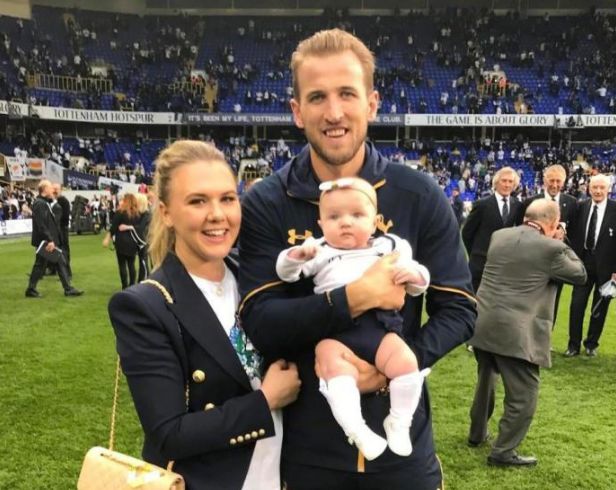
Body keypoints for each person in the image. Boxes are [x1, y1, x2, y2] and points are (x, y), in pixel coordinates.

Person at [239, 29, 475, 490]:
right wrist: (353, 297)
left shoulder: (419, 194)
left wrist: (392, 368)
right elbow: (260, 322)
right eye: (317, 97)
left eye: (347, 93)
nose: (334, 112)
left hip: (404, 457)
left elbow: (460, 308)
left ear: (371, 103)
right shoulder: (267, 201)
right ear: (296, 111)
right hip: (309, 453)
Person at [107, 140, 301, 490]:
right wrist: (265, 401)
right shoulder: (145, 305)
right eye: (198, 201)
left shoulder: (258, 279)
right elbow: (169, 434)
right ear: (166, 212)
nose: (217, 214)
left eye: (227, 198)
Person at [275, 177, 431, 460]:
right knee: (334, 368)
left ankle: (399, 420)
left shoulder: (389, 245)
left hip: (379, 326)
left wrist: (415, 276)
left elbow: (419, 282)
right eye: (334, 217)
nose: (345, 222)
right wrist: (296, 255)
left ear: (375, 221)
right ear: (321, 223)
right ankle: (357, 430)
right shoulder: (320, 250)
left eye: (357, 215)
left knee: (407, 363)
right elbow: (286, 273)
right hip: (335, 328)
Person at [468, 199, 586, 467]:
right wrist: (562, 241)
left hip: (482, 322)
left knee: (486, 378)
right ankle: (503, 452)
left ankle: (476, 434)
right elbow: (579, 274)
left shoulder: (499, 236)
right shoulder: (552, 248)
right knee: (524, 394)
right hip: (516, 332)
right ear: (553, 223)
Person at [513, 164, 578, 327]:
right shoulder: (530, 202)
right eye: (551, 180)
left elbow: (576, 233)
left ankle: (547, 335)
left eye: (558, 181)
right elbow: (520, 230)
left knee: (553, 302)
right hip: (533, 261)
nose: (554, 185)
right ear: (544, 180)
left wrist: (563, 232)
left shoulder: (571, 203)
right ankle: (525, 332)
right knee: (529, 301)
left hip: (557, 262)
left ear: (564, 182)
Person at [565, 174, 616, 357]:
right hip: (582, 264)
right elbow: (571, 235)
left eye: (602, 187)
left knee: (599, 308)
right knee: (576, 306)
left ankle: (591, 344)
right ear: (589, 188)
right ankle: (573, 345)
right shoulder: (580, 207)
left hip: (607, 268)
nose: (598, 191)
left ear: (608, 189)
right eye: (595, 187)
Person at [462, 166, 522, 292]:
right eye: (504, 181)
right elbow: (467, 233)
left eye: (510, 181)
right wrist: (475, 253)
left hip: (504, 265)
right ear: (496, 182)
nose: (507, 185)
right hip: (480, 265)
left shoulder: (517, 206)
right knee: (474, 300)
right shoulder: (482, 205)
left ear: (514, 184)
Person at [25, 179, 83, 298]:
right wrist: (50, 240)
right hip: (45, 241)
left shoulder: (42, 202)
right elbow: (41, 224)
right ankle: (67, 289)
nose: (53, 190)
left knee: (49, 263)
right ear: (45, 189)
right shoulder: (40, 204)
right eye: (50, 187)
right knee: (47, 263)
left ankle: (32, 289)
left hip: (46, 240)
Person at [103, 193, 142, 289]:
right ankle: (132, 285)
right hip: (133, 241)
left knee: (122, 265)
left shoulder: (120, 212)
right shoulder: (137, 214)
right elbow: (140, 227)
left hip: (121, 241)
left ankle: (125, 286)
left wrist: (107, 238)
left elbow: (113, 227)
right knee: (131, 265)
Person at [135, 192, 151, 281]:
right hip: (140, 241)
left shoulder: (147, 214)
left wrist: (130, 227)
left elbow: (141, 228)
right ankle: (142, 280)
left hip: (145, 242)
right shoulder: (140, 214)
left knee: (144, 262)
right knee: (142, 262)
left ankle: (145, 280)